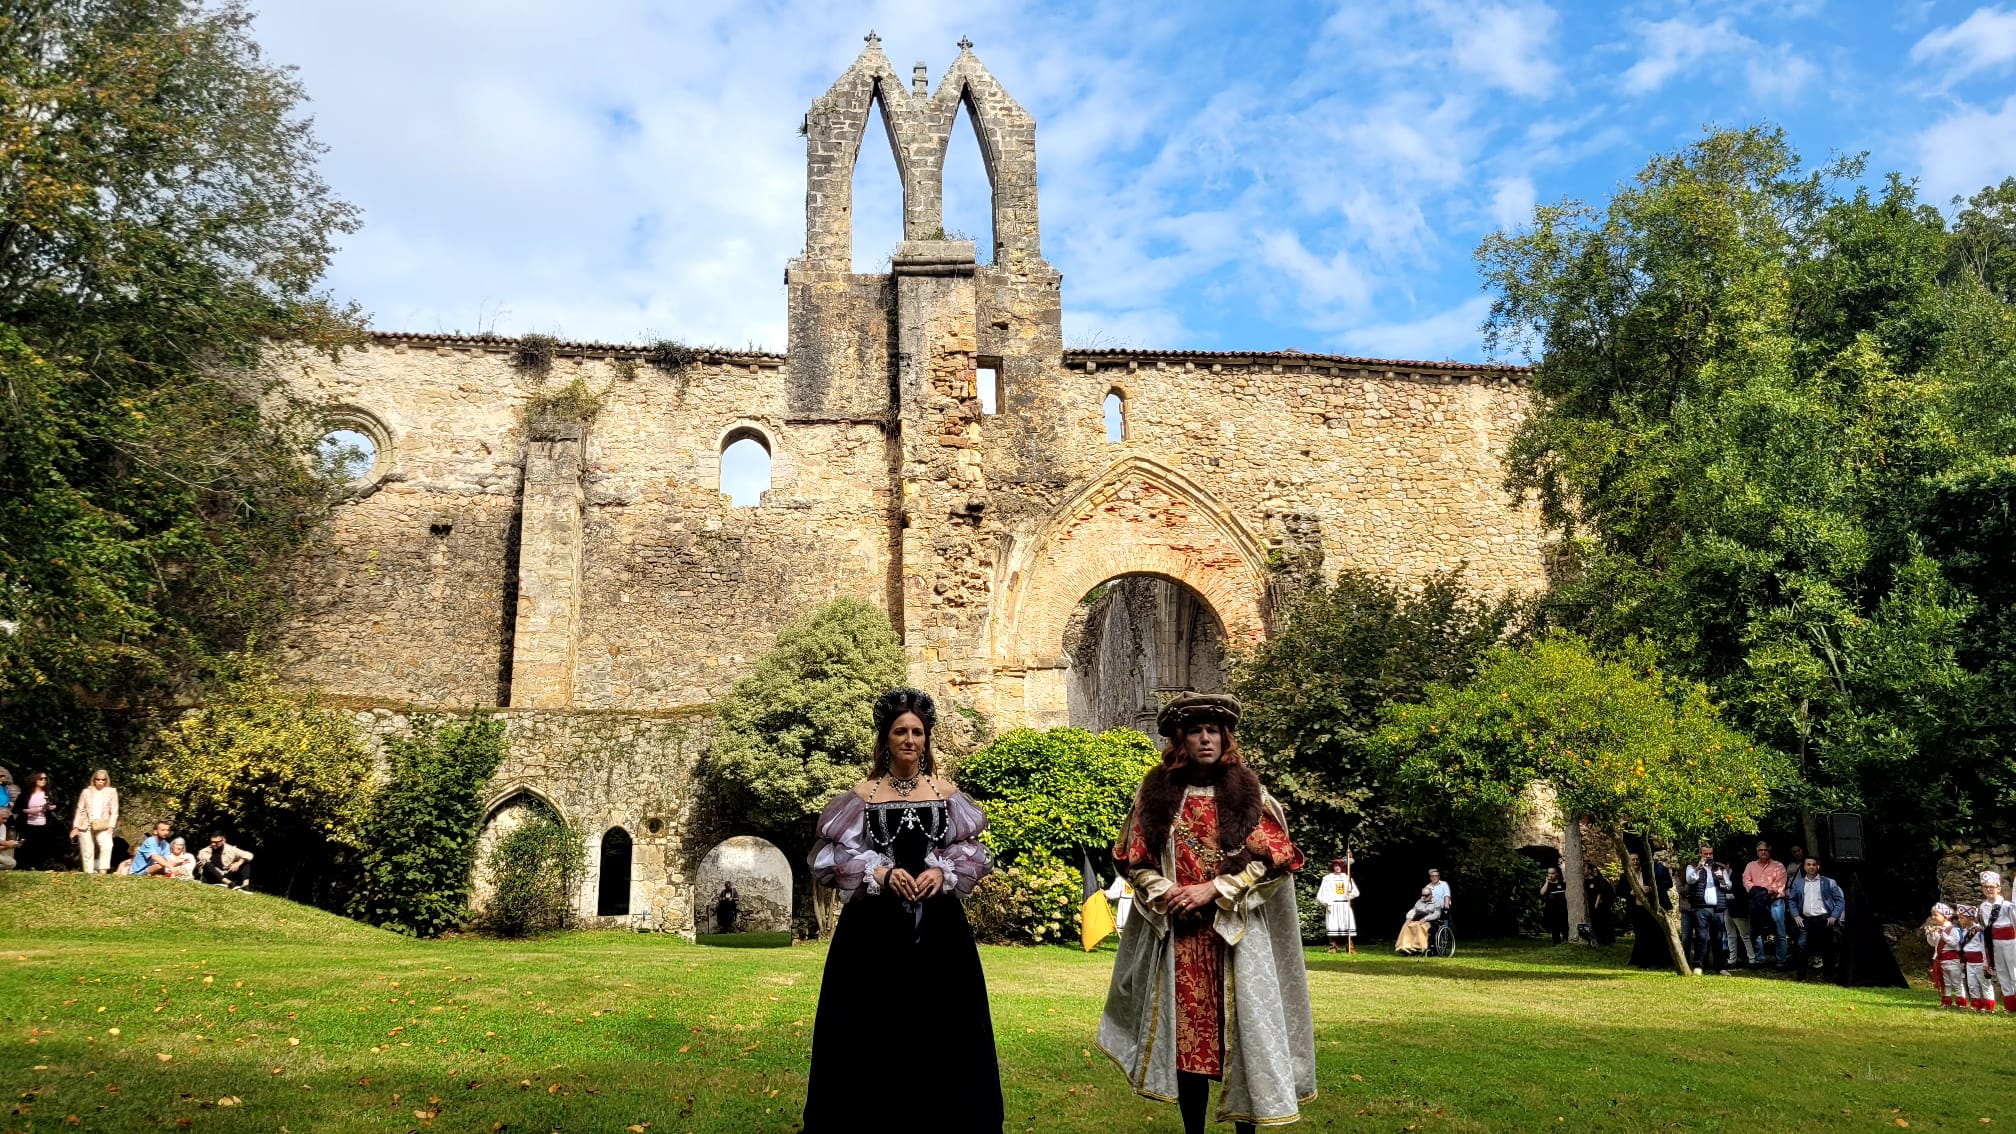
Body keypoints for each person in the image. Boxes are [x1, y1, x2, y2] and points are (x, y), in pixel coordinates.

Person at [1099, 692, 1315, 1134]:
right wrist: (1169, 892)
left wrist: (1214, 888)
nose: (1205, 738)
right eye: (1195, 730)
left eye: (1212, 730)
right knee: (1187, 1048)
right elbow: (1134, 860)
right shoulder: (1156, 797)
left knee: (1245, 1041)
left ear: (1225, 737)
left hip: (1236, 940)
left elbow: (1277, 859)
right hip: (1180, 943)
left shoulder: (1247, 796)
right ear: (1180, 739)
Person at [803, 687, 1000, 1133]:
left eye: (917, 732)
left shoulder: (948, 795)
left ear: (926, 739)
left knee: (944, 1023)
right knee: (870, 1023)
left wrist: (941, 871)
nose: (910, 739)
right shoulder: (862, 796)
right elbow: (831, 857)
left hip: (939, 928)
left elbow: (974, 852)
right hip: (873, 930)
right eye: (900, 732)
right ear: (886, 739)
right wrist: (878, 872)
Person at [1788, 856, 1844, 981]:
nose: (1811, 867)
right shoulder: (1798, 883)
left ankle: (1828, 976)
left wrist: (1834, 916)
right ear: (1804, 867)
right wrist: (1796, 915)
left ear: (1818, 866)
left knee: (1827, 948)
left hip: (1824, 919)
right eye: (1808, 864)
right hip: (1806, 920)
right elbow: (1792, 900)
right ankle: (1801, 977)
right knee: (1802, 947)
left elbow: (1840, 901)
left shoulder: (1829, 882)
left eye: (1814, 864)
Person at [1682, 842, 1733, 974]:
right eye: (1706, 854)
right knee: (1701, 937)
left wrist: (1721, 879)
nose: (1708, 856)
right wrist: (1698, 868)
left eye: (1710, 853)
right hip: (1700, 908)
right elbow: (1689, 880)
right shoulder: (1692, 867)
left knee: (1718, 938)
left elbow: (1728, 886)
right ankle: (1698, 966)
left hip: (1717, 908)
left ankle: (1720, 967)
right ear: (1700, 854)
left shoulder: (1719, 868)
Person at [1619, 850, 1674, 970]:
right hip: (1636, 909)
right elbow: (1619, 891)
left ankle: (1660, 961)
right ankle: (1643, 961)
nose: (1635, 862)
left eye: (1637, 859)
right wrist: (1630, 893)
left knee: (1655, 934)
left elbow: (1664, 885)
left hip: (1649, 908)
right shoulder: (1625, 875)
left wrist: (1650, 889)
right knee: (1641, 935)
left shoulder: (1648, 873)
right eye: (1633, 860)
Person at [1741, 841, 1790, 970]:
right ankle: (1760, 960)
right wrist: (1760, 892)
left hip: (1775, 902)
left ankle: (1781, 961)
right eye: (1760, 850)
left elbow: (1779, 886)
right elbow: (1746, 881)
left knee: (1780, 932)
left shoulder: (1778, 866)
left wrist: (1760, 891)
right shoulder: (1750, 866)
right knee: (1756, 932)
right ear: (1757, 852)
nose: (1763, 852)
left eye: (1765, 850)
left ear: (1769, 851)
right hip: (1757, 903)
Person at [1977, 871, 2016, 1012]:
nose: (1989, 889)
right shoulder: (1983, 907)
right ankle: (2010, 1006)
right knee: (2002, 974)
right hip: (1995, 943)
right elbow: (1985, 928)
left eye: (1992, 887)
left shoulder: (2007, 906)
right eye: (1986, 887)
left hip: (2010, 942)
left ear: (1998, 888)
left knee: (2014, 973)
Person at [71, 769, 118, 874]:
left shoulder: (111, 792)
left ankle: (103, 871)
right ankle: (89, 874)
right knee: (88, 850)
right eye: (98, 779)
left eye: (103, 779)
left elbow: (114, 810)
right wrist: (76, 826)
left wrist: (111, 825)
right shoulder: (86, 792)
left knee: (107, 845)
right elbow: (80, 809)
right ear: (94, 780)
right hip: (86, 823)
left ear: (106, 780)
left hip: (103, 824)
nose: (101, 781)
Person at [1954, 905, 1999, 1012]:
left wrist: (1986, 964)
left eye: (1962, 918)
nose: (1959, 920)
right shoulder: (1965, 931)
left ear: (1970, 918)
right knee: (1972, 984)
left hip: (1980, 962)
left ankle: (1988, 1006)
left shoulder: (1979, 931)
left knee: (1985, 984)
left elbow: (1985, 948)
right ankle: (1976, 1004)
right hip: (1970, 963)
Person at [13, 772, 59, 870]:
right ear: (34, 780)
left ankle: (40, 866)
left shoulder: (49, 793)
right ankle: (24, 866)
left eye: (45, 779)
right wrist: (28, 811)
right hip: (27, 824)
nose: (44, 781)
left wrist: (51, 807)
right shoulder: (26, 794)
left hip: (44, 824)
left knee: (41, 846)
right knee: (27, 846)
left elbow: (57, 805)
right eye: (41, 779)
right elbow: (17, 809)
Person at [1318, 856, 1359, 953]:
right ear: (1333, 867)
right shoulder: (1327, 879)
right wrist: (1328, 903)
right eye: (1335, 866)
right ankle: (1333, 947)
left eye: (1339, 866)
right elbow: (1322, 894)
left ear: (1342, 867)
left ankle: (1350, 947)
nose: (1337, 867)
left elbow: (1355, 892)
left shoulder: (1347, 878)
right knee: (1333, 926)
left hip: (1344, 905)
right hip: (1333, 905)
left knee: (1347, 925)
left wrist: (1350, 893)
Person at [1927, 903, 1962, 1007]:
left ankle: (1961, 1002)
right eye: (1932, 915)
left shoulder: (1953, 929)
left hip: (1952, 960)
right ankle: (1946, 1001)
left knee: (1956, 982)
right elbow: (1933, 943)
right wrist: (1931, 934)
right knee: (1945, 982)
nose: (1933, 917)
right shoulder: (1937, 928)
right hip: (1940, 960)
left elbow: (1954, 943)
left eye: (1936, 915)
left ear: (1945, 916)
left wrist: (1943, 934)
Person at [1395, 886, 1441, 955]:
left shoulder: (1436, 902)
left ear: (1431, 895)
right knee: (1407, 925)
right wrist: (1409, 918)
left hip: (1430, 921)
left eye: (1426, 895)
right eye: (1422, 895)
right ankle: (1404, 946)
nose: (1424, 897)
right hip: (1418, 919)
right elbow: (1413, 910)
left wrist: (1426, 918)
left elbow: (1437, 914)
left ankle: (1418, 947)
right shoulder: (1419, 901)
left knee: (1418, 926)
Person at [1583, 863, 1615, 946]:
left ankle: (1606, 941)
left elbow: (1600, 893)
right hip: (1589, 906)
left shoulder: (1598, 880)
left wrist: (1596, 905)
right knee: (1595, 924)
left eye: (1585, 869)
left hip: (1599, 907)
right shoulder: (1584, 882)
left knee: (1602, 923)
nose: (1583, 871)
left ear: (1589, 871)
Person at [1541, 865, 1569, 945]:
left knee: (1564, 926)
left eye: (1552, 873)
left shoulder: (1562, 883)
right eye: (1549, 873)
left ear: (1557, 874)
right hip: (1551, 909)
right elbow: (1542, 892)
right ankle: (1556, 942)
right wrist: (1547, 882)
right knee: (1554, 927)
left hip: (1562, 909)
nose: (1550, 875)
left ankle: (1566, 941)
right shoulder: (1547, 884)